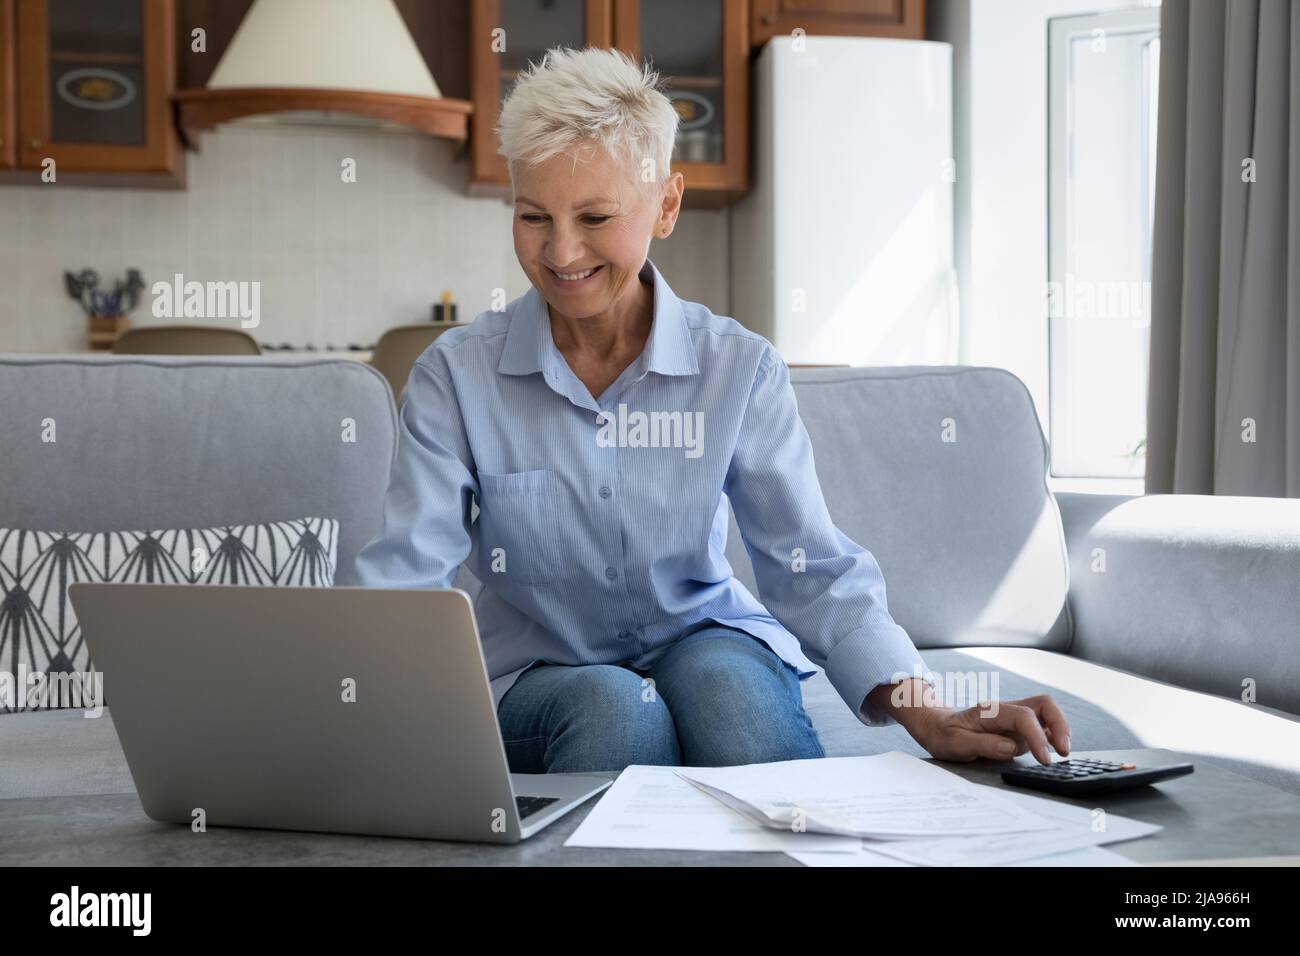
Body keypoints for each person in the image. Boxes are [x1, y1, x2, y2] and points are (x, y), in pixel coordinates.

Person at [354, 46, 1070, 772]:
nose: (561, 251)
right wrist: (355, 710)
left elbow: (808, 564)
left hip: (707, 636)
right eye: (534, 216)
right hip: (538, 673)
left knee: (728, 689)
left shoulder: (738, 368)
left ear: (665, 205)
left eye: (596, 216)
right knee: (612, 709)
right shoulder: (456, 375)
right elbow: (408, 574)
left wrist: (934, 713)